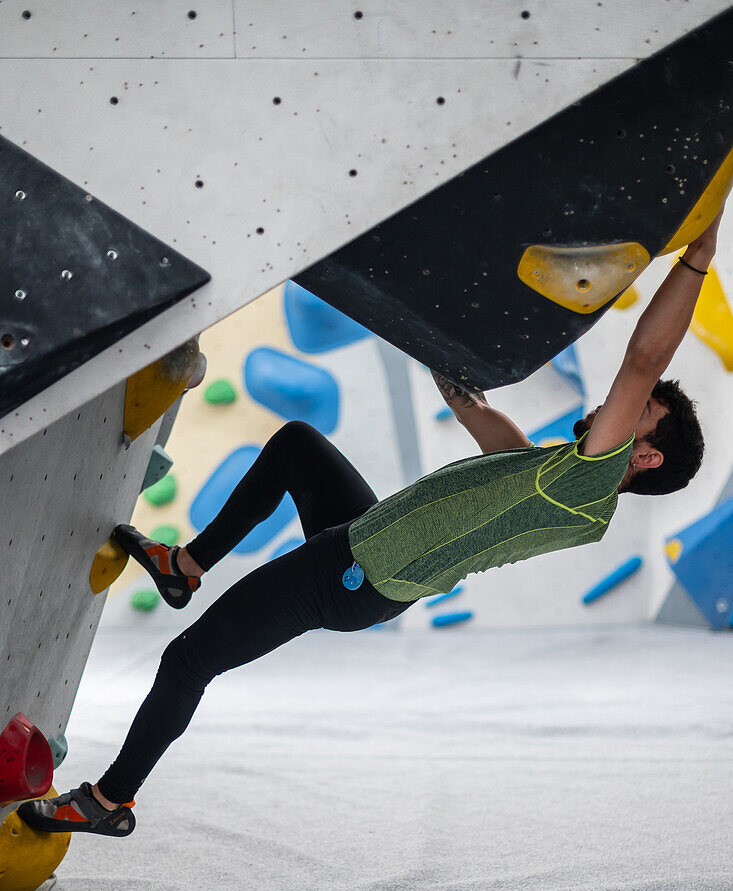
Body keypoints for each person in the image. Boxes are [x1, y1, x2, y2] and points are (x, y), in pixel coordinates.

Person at [18, 209, 721, 838]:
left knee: (188, 661)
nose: (615, 401)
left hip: (353, 576)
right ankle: (185, 568)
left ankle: (111, 799)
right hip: (365, 541)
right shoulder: (563, 478)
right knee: (297, 443)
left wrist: (697, 254)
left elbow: (643, 357)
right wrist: (464, 395)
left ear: (644, 453)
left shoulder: (590, 484)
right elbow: (504, 454)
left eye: (638, 410)